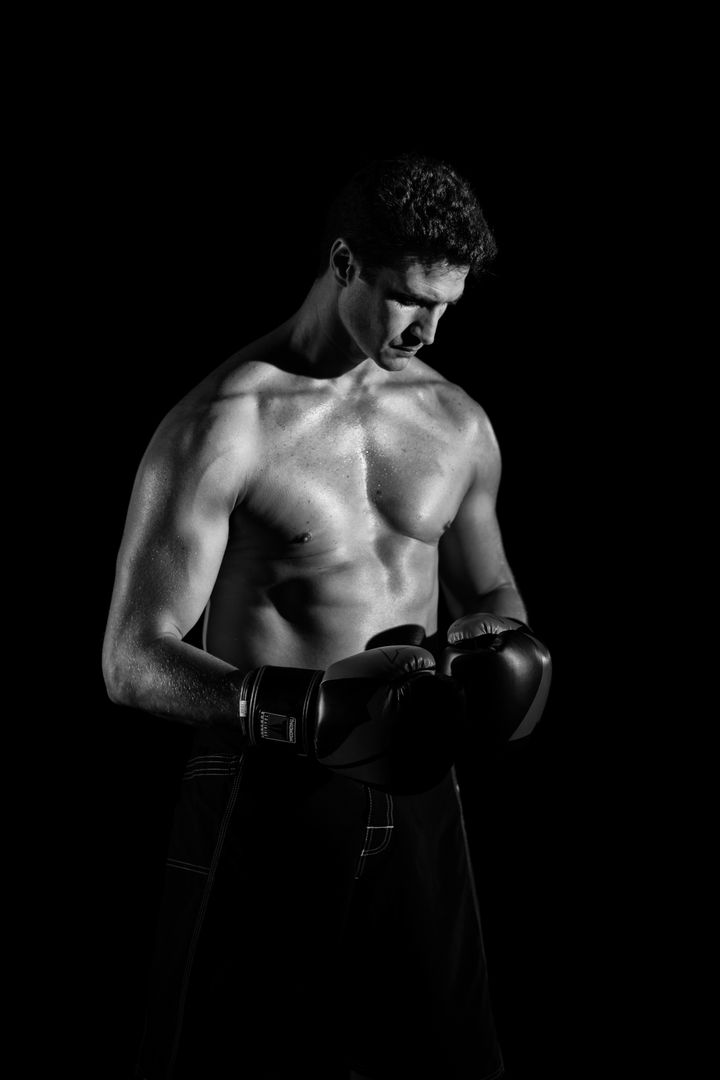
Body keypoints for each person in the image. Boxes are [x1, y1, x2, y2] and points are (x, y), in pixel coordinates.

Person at [103, 153, 551, 1080]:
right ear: (344, 263)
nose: (427, 329)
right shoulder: (225, 424)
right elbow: (132, 659)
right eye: (405, 298)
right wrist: (296, 710)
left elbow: (493, 590)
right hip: (267, 789)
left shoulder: (456, 422)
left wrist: (497, 641)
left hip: (422, 789)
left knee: (453, 1072)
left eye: (446, 306)